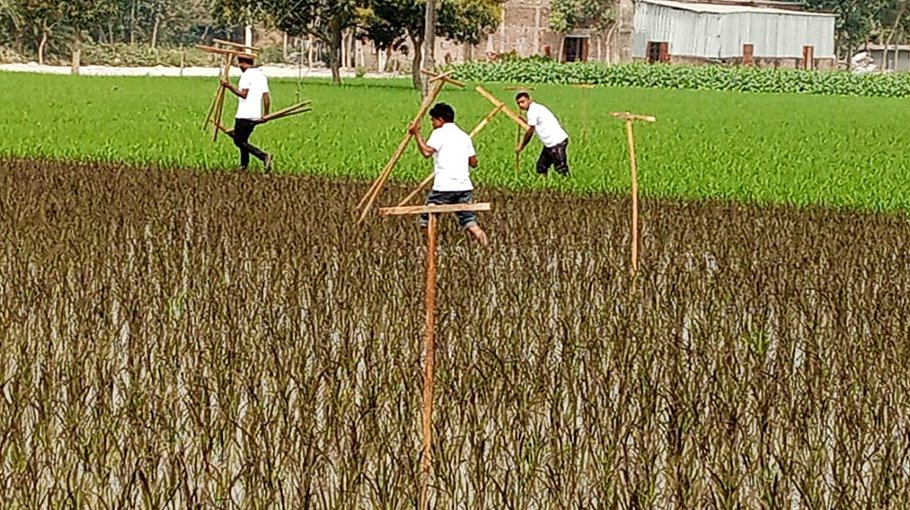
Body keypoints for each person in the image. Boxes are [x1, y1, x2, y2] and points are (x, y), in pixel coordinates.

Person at [408, 103, 488, 246]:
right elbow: (474, 162)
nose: (432, 124)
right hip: (464, 187)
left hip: (444, 187)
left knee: (426, 220)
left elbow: (426, 152)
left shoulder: (439, 133)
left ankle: (431, 249)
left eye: (433, 120)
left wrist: (416, 134)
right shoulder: (464, 136)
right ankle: (486, 247)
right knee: (469, 222)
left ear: (440, 119)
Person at [221, 55, 273, 171]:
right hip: (255, 115)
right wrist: (266, 114)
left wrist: (228, 86)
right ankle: (244, 165)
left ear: (243, 63)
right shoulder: (261, 76)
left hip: (244, 114)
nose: (239, 66)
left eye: (240, 64)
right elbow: (266, 97)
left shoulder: (245, 76)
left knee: (238, 141)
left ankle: (263, 156)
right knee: (243, 140)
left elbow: (243, 94)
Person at [515, 92, 570, 177]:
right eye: (518, 103)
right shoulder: (536, 108)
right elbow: (534, 124)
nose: (521, 105)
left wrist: (521, 146)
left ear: (529, 100)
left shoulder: (532, 111)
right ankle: (543, 184)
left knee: (561, 168)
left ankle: (567, 183)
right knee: (541, 167)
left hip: (557, 141)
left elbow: (530, 131)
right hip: (549, 144)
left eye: (523, 102)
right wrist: (524, 122)